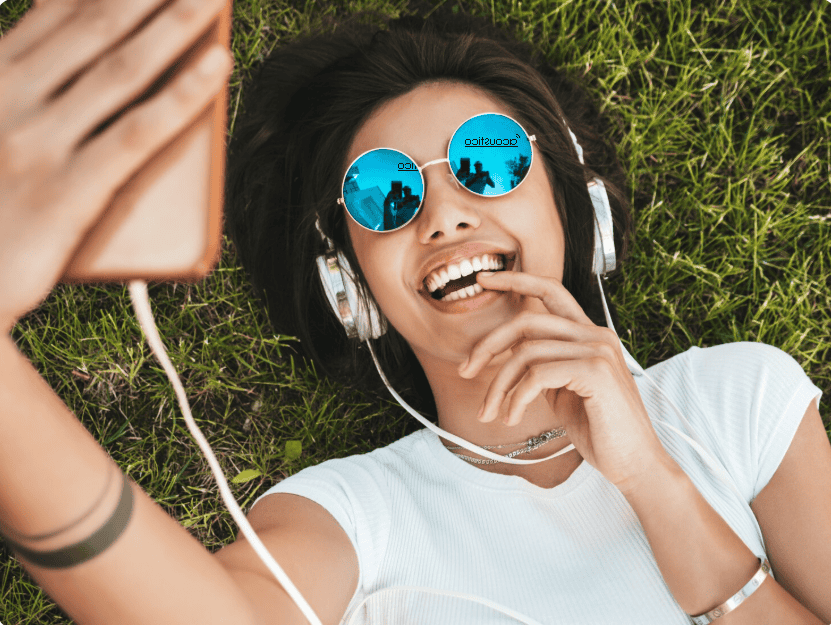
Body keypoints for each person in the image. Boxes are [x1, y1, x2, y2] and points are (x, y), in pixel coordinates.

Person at [0, 2, 829, 625]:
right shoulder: (354, 516)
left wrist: (652, 480)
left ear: (576, 205)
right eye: (384, 194)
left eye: (487, 160)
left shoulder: (735, 400)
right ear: (348, 282)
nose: (443, 216)